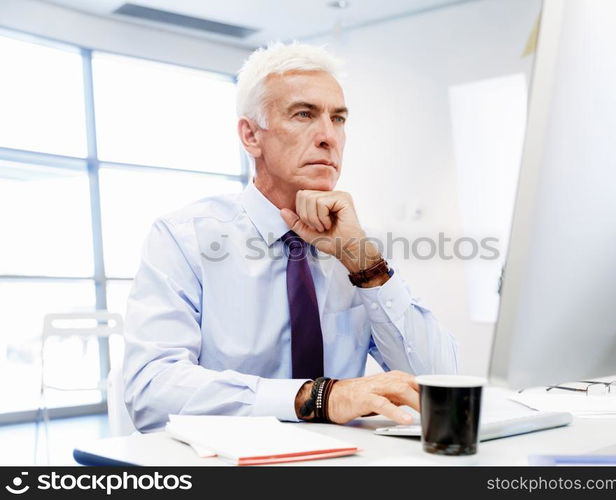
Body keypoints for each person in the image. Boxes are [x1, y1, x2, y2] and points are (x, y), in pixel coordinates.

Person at [123, 42, 458, 432]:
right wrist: (316, 397)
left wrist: (364, 264)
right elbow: (150, 391)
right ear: (251, 136)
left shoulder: (356, 246)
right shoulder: (184, 238)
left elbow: (442, 383)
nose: (328, 137)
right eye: (304, 114)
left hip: (347, 464)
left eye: (338, 119)